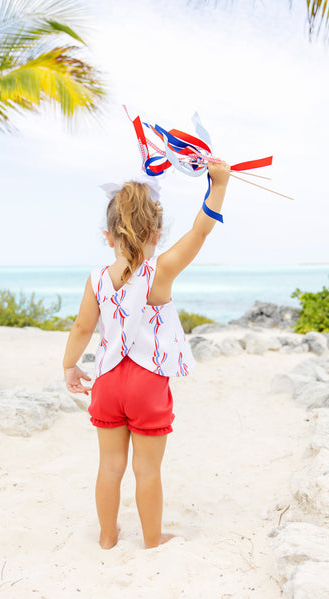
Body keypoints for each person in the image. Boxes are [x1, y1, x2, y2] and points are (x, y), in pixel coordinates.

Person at [62, 159, 231, 550]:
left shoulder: (97, 278)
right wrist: (218, 184)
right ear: (157, 233)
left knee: (109, 466)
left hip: (106, 381)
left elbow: (82, 329)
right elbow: (201, 230)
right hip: (147, 383)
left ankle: (107, 537)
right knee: (147, 469)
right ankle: (152, 540)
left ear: (109, 236)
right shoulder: (161, 271)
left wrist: (70, 366)